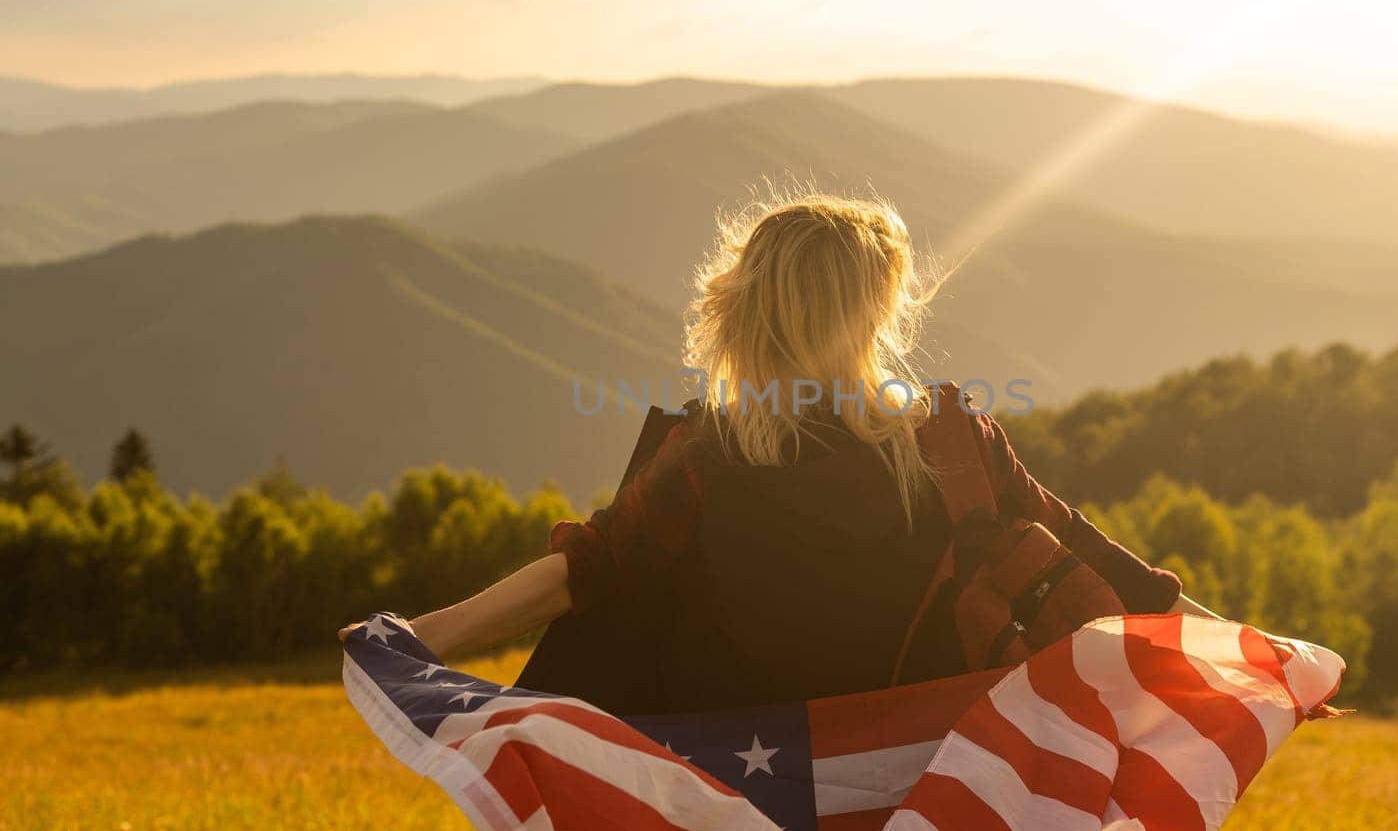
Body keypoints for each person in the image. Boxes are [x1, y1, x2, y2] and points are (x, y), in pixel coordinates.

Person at [340, 193, 1219, 711]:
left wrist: (419, 638)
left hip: (758, 804)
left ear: (746, 310)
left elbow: (587, 570)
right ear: (873, 316)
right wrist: (1259, 652)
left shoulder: (710, 459)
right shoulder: (952, 440)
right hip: (932, 803)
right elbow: (1111, 573)